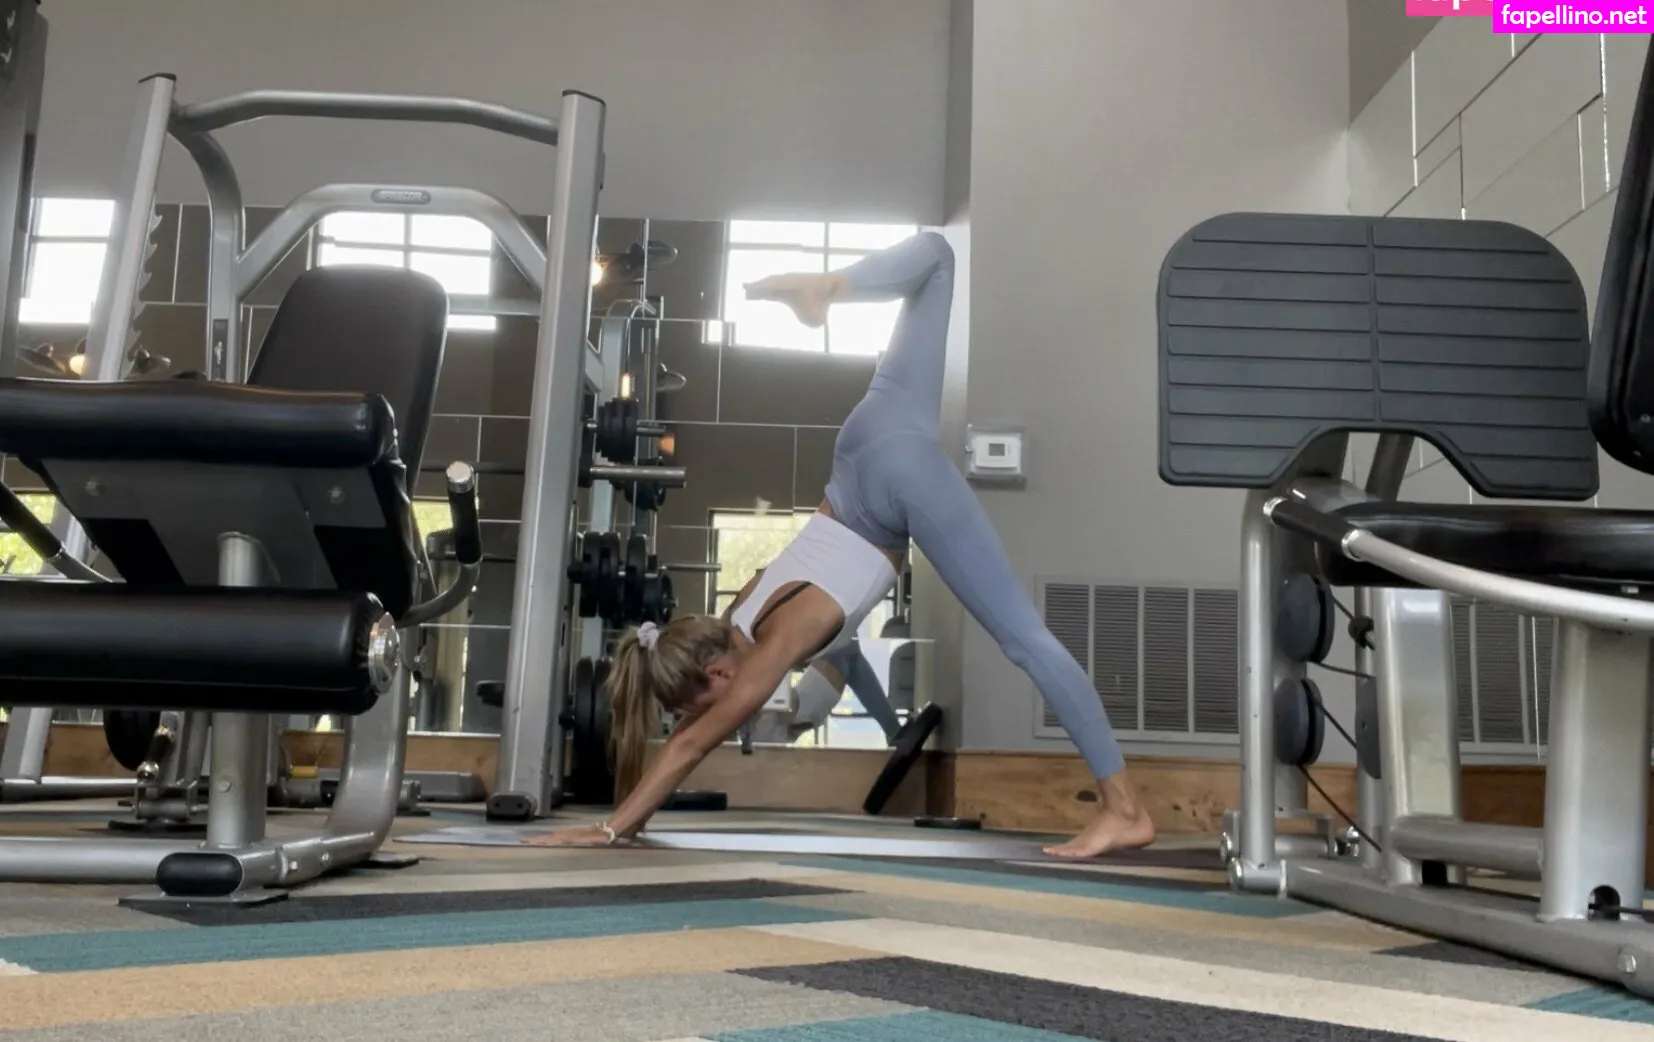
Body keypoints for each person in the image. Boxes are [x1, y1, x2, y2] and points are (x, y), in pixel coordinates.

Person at [529, 232, 1155, 858]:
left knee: (1026, 640)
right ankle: (833, 286)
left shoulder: (770, 645)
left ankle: (1125, 810)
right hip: (866, 441)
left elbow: (691, 745)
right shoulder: (740, 610)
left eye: (700, 704)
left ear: (717, 671)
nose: (709, 718)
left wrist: (610, 828)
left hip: (891, 489)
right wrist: (630, 810)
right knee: (936, 257)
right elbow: (693, 731)